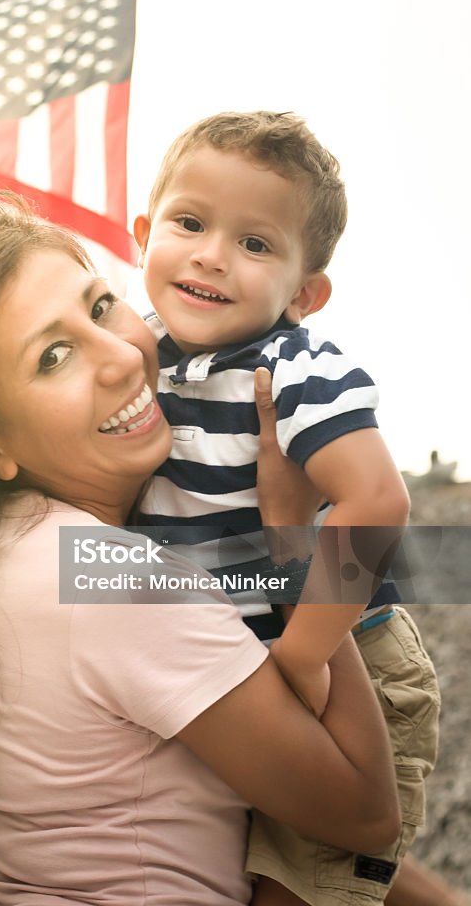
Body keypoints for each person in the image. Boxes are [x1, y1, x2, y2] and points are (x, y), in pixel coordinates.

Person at [0, 193, 400, 906]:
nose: (120, 359)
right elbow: (363, 814)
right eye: (53, 356)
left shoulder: (10, 542)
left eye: (101, 306)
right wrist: (291, 538)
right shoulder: (108, 578)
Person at [132, 111, 441, 905]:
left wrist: (302, 654)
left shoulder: (292, 366)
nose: (211, 254)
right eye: (189, 223)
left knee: (302, 884)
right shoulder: (138, 354)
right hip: (242, 671)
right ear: (143, 233)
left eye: (254, 243)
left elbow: (374, 499)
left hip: (344, 658)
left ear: (304, 293)